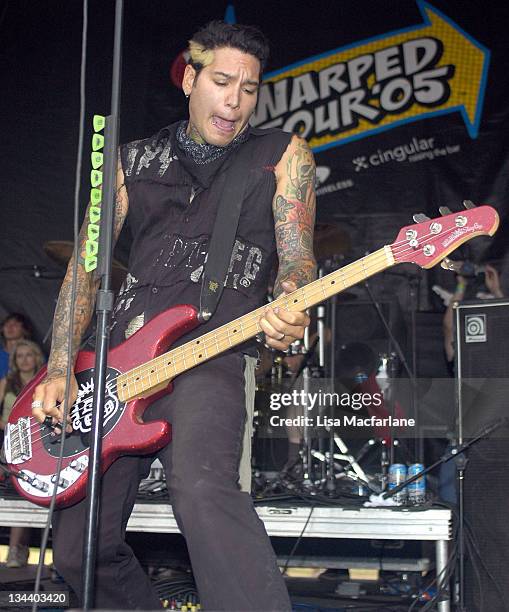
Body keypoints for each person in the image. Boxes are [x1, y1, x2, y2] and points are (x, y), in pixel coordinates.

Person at [31, 21, 315, 610]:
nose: (235, 100)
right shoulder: (130, 161)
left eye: (250, 87)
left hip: (209, 354)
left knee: (203, 489)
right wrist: (60, 363)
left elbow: (298, 257)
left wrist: (293, 299)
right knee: (79, 550)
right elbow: (85, 270)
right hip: (113, 368)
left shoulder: (281, 155)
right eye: (220, 81)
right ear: (189, 78)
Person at [0, 339, 45, 567]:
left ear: (36, 357)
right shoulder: (7, 383)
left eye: (29, 354)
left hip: (41, 443)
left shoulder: (47, 380)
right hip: (10, 442)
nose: (24, 359)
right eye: (20, 356)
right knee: (15, 493)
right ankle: (16, 549)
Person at [0, 313, 34, 379]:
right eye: (7, 324)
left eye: (15, 324)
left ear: (24, 330)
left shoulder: (35, 355)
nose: (9, 327)